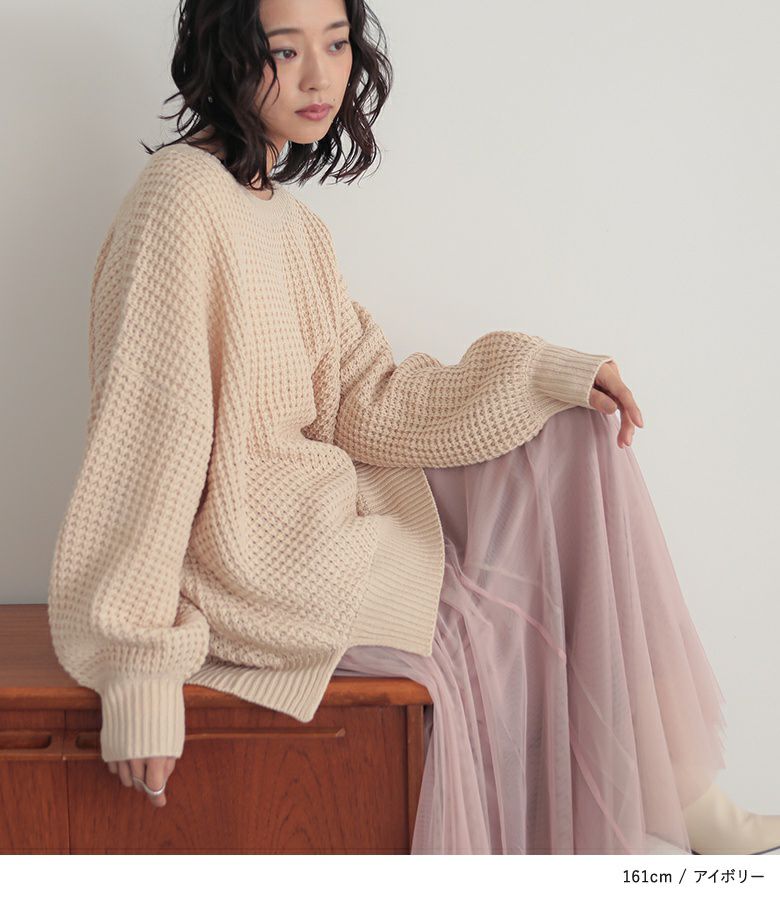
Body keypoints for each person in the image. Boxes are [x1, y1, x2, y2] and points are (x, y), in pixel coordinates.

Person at [46, 0, 780, 854]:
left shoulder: (291, 224)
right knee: (511, 613)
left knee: (572, 438)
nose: (320, 76)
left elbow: (365, 398)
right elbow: (146, 446)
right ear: (226, 55)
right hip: (264, 563)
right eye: (285, 50)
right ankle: (665, 798)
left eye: (336, 45)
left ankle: (679, 794)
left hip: (328, 526)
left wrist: (545, 373)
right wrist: (139, 673)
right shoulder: (179, 200)